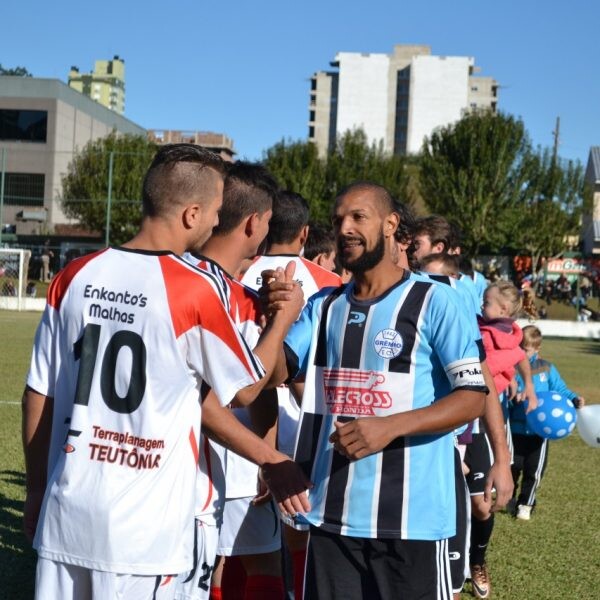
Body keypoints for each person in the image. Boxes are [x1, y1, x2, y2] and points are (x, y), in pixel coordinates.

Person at [22, 144, 309, 600]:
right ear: (193, 214)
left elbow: (38, 392)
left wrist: (37, 488)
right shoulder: (194, 290)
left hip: (66, 514)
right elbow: (247, 390)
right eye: (216, 211)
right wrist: (283, 319)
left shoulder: (73, 275)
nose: (219, 222)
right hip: (147, 533)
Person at [264, 182, 487, 599]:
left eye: (358, 217)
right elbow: (276, 372)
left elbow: (472, 395)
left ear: (391, 224)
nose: (344, 227)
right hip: (330, 515)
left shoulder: (434, 301)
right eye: (337, 219)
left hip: (411, 522)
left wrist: (388, 427)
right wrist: (277, 317)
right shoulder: (324, 305)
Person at [180, 161, 284, 600]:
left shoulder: (177, 277)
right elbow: (248, 388)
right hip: (201, 467)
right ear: (254, 222)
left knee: (216, 568)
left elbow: (269, 383)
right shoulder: (221, 296)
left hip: (181, 468)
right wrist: (269, 455)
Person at [241, 190, 342, 600]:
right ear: (304, 233)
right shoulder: (332, 287)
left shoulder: (234, 272)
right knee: (298, 535)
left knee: (235, 547)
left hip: (241, 420)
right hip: (304, 420)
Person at [472, 280, 538, 596]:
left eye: (486, 302)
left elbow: (513, 356)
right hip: (459, 415)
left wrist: (525, 382)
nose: (480, 306)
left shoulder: (503, 335)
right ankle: (456, 562)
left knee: (484, 503)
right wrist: (517, 378)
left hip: (488, 420)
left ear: (502, 310)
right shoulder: (480, 326)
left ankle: (477, 560)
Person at [509, 325, 585, 520]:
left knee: (534, 472)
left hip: (539, 433)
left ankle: (526, 504)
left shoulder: (547, 368)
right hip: (514, 431)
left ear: (537, 349)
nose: (521, 352)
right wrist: (512, 397)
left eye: (525, 349)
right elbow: (502, 392)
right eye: (518, 347)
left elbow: (561, 390)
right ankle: (508, 498)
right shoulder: (511, 367)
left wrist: (575, 399)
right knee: (512, 468)